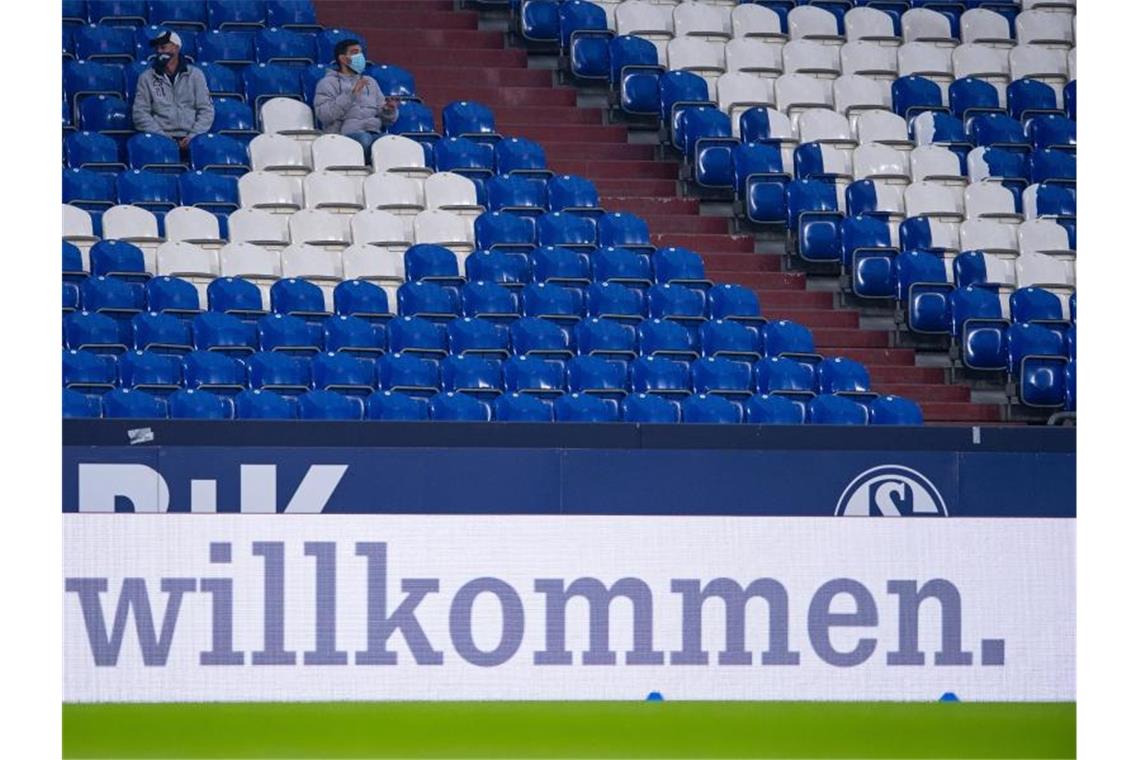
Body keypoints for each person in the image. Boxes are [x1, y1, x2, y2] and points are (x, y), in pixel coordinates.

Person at [313, 38, 400, 159]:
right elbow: (324, 115)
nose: (360, 57)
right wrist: (351, 95)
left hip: (373, 131)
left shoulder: (370, 82)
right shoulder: (327, 83)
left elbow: (386, 119)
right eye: (355, 53)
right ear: (343, 59)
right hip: (342, 134)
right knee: (365, 140)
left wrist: (389, 110)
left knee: (391, 143)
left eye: (361, 53)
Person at [131, 30, 214, 155]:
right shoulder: (146, 78)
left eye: (163, 47)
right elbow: (140, 114)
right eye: (157, 48)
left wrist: (193, 136)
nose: (159, 51)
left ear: (176, 48)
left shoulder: (195, 75)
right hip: (158, 140)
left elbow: (206, 110)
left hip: (192, 139)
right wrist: (162, 137)